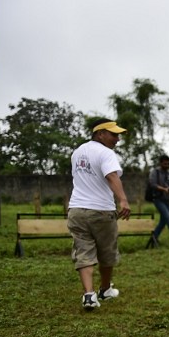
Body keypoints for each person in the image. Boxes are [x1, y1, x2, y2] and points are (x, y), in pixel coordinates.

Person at [67, 118, 131, 310]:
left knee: (83, 250)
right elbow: (111, 176)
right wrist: (123, 200)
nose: (117, 139)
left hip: (76, 210)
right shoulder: (106, 153)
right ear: (100, 133)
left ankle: (89, 295)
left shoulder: (77, 152)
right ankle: (104, 290)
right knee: (107, 251)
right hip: (101, 210)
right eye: (113, 134)